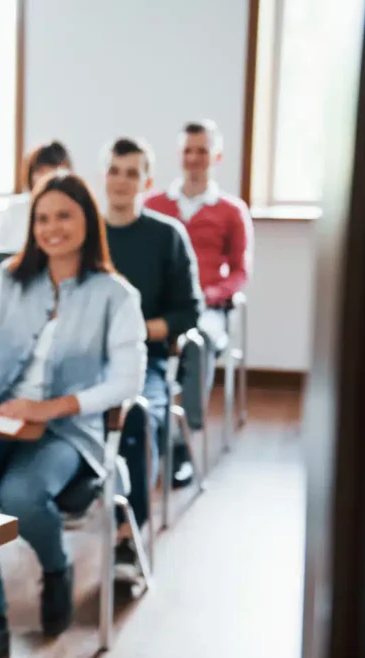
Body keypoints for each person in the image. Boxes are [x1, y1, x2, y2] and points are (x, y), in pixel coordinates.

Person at [0, 171, 147, 658]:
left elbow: (127, 382)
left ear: (88, 222)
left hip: (66, 428)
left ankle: (56, 568)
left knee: (19, 494)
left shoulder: (116, 295)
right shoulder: (12, 280)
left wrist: (50, 408)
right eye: (42, 218)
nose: (52, 227)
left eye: (65, 216)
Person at [103, 137, 202, 557]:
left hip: (148, 360)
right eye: (114, 170)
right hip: (86, 360)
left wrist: (136, 330)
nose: (121, 181)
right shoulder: (86, 234)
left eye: (131, 173)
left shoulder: (168, 236)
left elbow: (188, 313)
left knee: (140, 420)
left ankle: (128, 529)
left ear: (147, 180)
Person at [145, 119, 253, 483]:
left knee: (199, 339)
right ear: (179, 155)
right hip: (160, 307)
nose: (194, 158)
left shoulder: (231, 210)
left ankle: (181, 438)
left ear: (216, 156)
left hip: (207, 309)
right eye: (188, 151)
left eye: (202, 151)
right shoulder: (154, 204)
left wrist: (212, 294)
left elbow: (240, 271)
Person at [0, 141, 73, 253]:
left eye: (53, 170)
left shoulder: (75, 208)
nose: (47, 178)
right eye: (40, 171)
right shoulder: (14, 209)